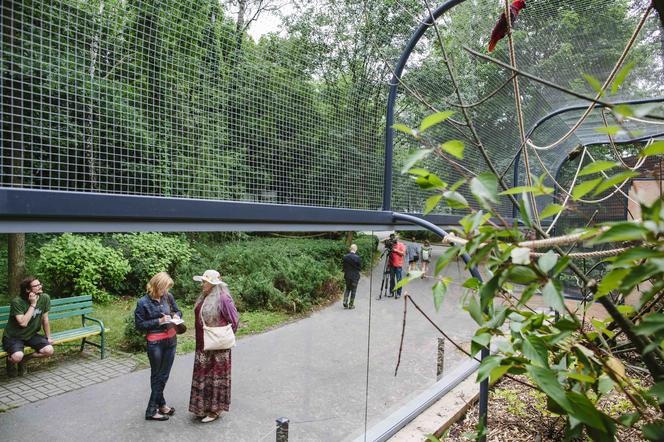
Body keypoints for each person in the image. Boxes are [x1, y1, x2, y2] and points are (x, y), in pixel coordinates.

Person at [189, 269, 239, 423]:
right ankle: (202, 407)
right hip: (203, 344)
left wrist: (222, 337)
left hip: (218, 348)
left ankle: (215, 410)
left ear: (212, 283)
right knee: (203, 376)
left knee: (216, 378)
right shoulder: (205, 296)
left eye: (204, 282)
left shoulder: (224, 298)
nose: (202, 284)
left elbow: (234, 321)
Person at [134, 272, 182, 421]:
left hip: (171, 341)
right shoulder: (143, 303)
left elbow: (178, 310)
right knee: (158, 376)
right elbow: (139, 325)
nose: (165, 292)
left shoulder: (168, 297)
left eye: (167, 288)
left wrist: (176, 316)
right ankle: (151, 410)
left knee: (163, 375)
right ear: (156, 286)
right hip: (155, 343)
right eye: (163, 288)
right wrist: (158, 321)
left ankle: (161, 405)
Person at [2, 276, 54, 377]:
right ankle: (10, 361)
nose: (40, 286)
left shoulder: (45, 298)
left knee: (49, 350)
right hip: (13, 336)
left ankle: (24, 360)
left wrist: (49, 337)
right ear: (27, 289)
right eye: (36, 285)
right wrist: (33, 304)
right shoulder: (17, 302)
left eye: (40, 284)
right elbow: (23, 323)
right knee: (17, 356)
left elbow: (45, 319)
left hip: (31, 335)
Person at [342, 244, 362, 309]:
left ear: (350, 249)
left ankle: (345, 301)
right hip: (355, 277)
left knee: (347, 288)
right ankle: (351, 304)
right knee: (353, 290)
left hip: (347, 275)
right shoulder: (357, 258)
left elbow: (344, 267)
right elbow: (359, 268)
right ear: (355, 249)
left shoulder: (345, 257)